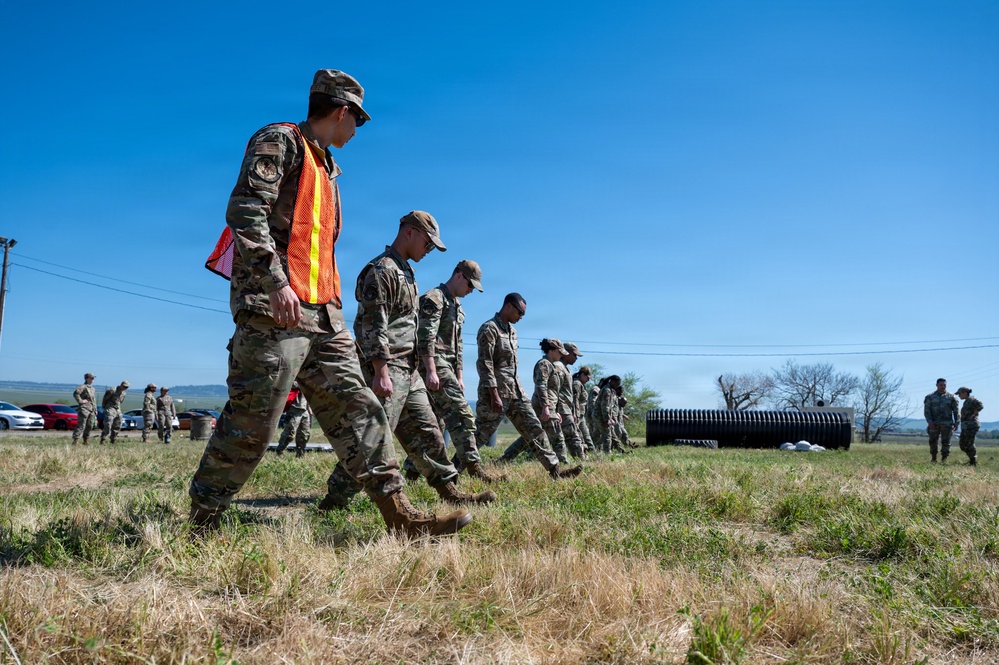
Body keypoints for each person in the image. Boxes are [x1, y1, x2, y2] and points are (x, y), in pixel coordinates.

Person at [191, 69, 471, 538]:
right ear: (343, 112)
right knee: (253, 420)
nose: (356, 132)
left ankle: (398, 513)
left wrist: (331, 305)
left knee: (361, 406)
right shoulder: (280, 141)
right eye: (357, 121)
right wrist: (275, 281)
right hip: (274, 307)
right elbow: (245, 210)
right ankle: (203, 514)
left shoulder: (327, 167)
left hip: (324, 313)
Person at [320, 211, 496, 509]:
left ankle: (449, 492)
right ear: (410, 232)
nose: (429, 251)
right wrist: (380, 372)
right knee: (372, 439)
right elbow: (374, 324)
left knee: (428, 432)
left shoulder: (406, 272)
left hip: (408, 370)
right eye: (428, 243)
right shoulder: (381, 270)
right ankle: (335, 499)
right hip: (387, 369)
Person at [475, 293, 582, 479]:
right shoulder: (489, 329)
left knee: (535, 430)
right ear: (508, 306)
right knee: (480, 436)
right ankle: (454, 471)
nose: (521, 317)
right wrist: (494, 394)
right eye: (520, 312)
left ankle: (555, 471)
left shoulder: (513, 332)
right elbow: (485, 364)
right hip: (496, 393)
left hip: (516, 392)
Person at [414, 259, 501, 483]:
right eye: (470, 285)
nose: (471, 291)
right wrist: (431, 370)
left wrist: (460, 376)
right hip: (434, 363)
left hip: (449, 367)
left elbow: (459, 346)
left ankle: (412, 472)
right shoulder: (434, 298)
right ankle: (472, 467)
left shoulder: (457, 306)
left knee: (434, 423)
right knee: (463, 414)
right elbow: (426, 336)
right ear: (459, 276)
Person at [499, 338, 570, 464]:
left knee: (531, 436)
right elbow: (541, 386)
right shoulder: (544, 364)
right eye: (559, 352)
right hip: (543, 406)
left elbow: (554, 391)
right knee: (557, 437)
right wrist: (545, 407)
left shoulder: (550, 365)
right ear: (551, 351)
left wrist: (556, 410)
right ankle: (563, 463)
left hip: (549, 406)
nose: (561, 355)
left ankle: (505, 459)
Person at [558, 342, 587, 459]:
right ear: (567, 353)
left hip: (566, 407)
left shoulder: (566, 369)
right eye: (574, 355)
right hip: (560, 406)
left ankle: (507, 457)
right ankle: (581, 459)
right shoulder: (558, 367)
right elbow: (554, 389)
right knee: (572, 434)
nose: (576, 358)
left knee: (537, 433)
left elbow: (571, 396)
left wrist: (574, 411)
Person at [924, 378, 959, 463]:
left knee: (946, 442)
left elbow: (956, 411)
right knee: (933, 441)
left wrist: (957, 422)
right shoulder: (930, 397)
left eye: (944, 385)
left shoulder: (952, 397)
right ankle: (934, 458)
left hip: (947, 423)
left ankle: (944, 459)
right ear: (936, 385)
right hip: (934, 423)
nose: (943, 387)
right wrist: (929, 421)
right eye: (941, 385)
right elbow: (927, 411)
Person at [592, 375, 626, 453]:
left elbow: (612, 406)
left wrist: (612, 417)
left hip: (603, 416)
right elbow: (605, 406)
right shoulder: (606, 390)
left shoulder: (611, 390)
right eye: (617, 383)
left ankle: (621, 450)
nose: (617, 386)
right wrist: (607, 420)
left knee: (601, 434)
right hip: (600, 416)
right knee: (607, 435)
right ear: (612, 381)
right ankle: (607, 453)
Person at [276, 383, 312, 457]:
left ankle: (300, 454)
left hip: (305, 409)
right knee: (289, 432)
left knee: (304, 433)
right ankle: (280, 452)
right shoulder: (294, 373)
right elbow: (288, 383)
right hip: (294, 408)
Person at [956, 386, 984, 466]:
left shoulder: (972, 400)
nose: (959, 396)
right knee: (963, 444)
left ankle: (973, 461)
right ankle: (972, 459)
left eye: (960, 394)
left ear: (965, 393)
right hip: (966, 425)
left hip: (971, 425)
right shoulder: (967, 401)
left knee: (969, 443)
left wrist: (974, 414)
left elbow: (980, 405)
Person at [572, 366, 595, 453]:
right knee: (577, 436)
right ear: (582, 374)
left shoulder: (582, 385)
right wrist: (576, 414)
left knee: (586, 435)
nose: (588, 380)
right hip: (577, 415)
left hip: (581, 415)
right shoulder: (577, 384)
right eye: (587, 377)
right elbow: (575, 400)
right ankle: (580, 453)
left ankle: (593, 453)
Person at [72, 372, 97, 445]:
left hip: (91, 409)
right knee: (81, 425)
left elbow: (93, 399)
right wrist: (81, 401)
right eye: (91, 378)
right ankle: (75, 440)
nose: (93, 379)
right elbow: (75, 393)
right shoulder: (83, 387)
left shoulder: (92, 388)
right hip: (84, 408)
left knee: (90, 425)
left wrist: (95, 409)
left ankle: (86, 440)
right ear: (86, 378)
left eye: (93, 378)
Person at [100, 381, 129, 445]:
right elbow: (105, 398)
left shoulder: (123, 393)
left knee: (118, 424)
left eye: (126, 387)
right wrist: (104, 407)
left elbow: (120, 401)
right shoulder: (112, 390)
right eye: (124, 386)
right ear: (121, 385)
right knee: (108, 423)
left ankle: (113, 439)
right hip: (110, 407)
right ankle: (103, 439)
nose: (125, 388)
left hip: (117, 409)